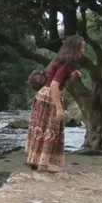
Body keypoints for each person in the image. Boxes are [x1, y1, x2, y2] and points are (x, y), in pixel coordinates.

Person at [26, 35, 85, 173]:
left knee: (40, 128)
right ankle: (44, 164)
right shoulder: (68, 61)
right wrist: (59, 109)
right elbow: (54, 84)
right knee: (50, 130)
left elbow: (57, 79)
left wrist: (72, 76)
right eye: (82, 46)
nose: (83, 50)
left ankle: (36, 161)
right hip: (49, 97)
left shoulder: (61, 59)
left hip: (42, 95)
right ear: (76, 48)